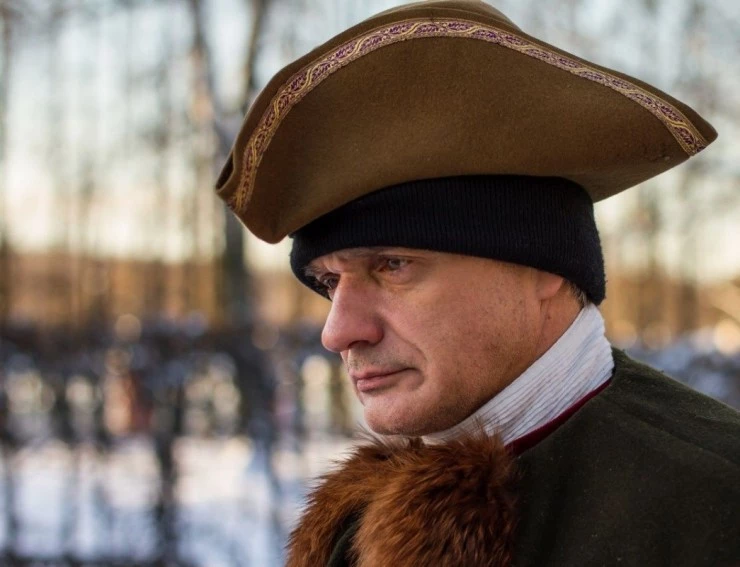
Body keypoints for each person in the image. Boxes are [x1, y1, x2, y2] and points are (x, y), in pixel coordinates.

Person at [214, 1, 740, 565]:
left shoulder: (713, 506)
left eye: (393, 265)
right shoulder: (357, 523)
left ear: (543, 266)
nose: (338, 332)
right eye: (328, 281)